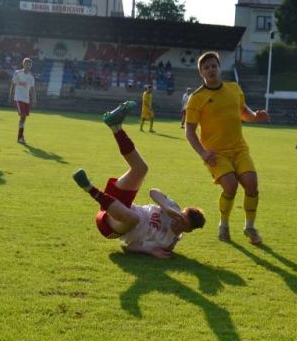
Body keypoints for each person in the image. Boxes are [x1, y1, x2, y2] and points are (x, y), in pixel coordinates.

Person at [72, 100, 206, 258]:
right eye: (180, 216)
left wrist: (150, 251)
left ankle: (90, 188)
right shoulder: (173, 209)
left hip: (113, 226)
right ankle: (116, 127)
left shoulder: (168, 242)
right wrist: (167, 207)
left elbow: (130, 247)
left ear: (188, 230)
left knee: (134, 218)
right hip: (120, 205)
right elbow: (153, 192)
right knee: (141, 169)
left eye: (182, 223)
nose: (177, 220)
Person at [185, 51, 269, 245]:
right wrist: (203, 153)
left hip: (239, 149)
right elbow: (189, 131)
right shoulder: (196, 98)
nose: (211, 69)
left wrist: (256, 116)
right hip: (216, 154)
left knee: (251, 184)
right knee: (230, 186)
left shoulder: (234, 88)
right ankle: (223, 225)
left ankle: (250, 227)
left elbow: (244, 113)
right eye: (206, 67)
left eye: (214, 65)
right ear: (201, 73)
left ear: (219, 68)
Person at [9, 57, 36, 144]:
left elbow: (32, 89)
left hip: (26, 99)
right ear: (23, 64)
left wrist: (34, 99)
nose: (27, 65)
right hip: (18, 98)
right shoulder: (18, 73)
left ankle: (21, 136)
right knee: (22, 115)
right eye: (26, 63)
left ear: (31, 66)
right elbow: (12, 84)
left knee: (24, 118)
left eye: (29, 64)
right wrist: (11, 95)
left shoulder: (31, 77)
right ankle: (20, 137)